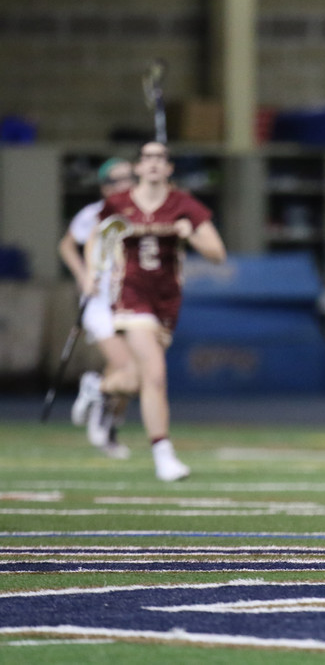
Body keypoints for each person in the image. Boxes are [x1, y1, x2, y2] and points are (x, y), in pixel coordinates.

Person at [86, 141, 227, 481]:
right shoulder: (118, 203)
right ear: (138, 167)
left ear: (169, 168)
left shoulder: (182, 204)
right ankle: (163, 453)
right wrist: (93, 271)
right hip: (130, 297)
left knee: (136, 379)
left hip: (166, 301)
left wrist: (189, 234)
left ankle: (100, 388)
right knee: (156, 375)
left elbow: (217, 253)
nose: (152, 163)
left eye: (159, 158)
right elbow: (96, 238)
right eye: (146, 157)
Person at [59, 157, 135, 457]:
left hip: (132, 302)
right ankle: (96, 390)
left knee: (125, 370)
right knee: (130, 366)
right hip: (100, 303)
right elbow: (67, 245)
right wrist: (82, 275)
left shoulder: (141, 214)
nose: (126, 184)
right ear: (105, 187)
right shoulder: (92, 215)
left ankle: (108, 426)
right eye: (118, 180)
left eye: (130, 177)